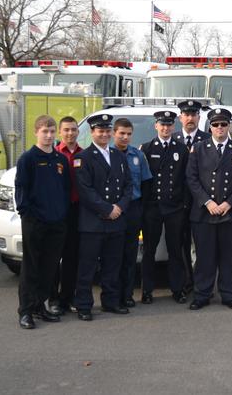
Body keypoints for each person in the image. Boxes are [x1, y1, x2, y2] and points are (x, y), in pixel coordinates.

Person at [186, 108, 232, 310]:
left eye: (223, 124)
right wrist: (208, 202)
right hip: (204, 213)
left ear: (228, 126)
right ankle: (202, 294)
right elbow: (192, 179)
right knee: (205, 257)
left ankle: (229, 294)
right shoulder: (199, 148)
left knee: (229, 257)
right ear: (210, 127)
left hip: (229, 213)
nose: (220, 128)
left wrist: (228, 203)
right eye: (215, 125)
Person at [74, 114, 132, 321]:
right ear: (92, 133)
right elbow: (85, 190)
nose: (105, 134)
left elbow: (128, 186)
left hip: (116, 221)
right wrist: (107, 208)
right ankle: (83, 305)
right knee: (87, 267)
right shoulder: (83, 158)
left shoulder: (118, 156)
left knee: (112, 265)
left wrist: (120, 207)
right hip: (93, 223)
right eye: (101, 130)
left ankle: (110, 302)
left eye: (108, 130)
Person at [15, 115, 70, 329]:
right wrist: (27, 214)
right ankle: (26, 311)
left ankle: (40, 306)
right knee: (31, 268)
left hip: (57, 223)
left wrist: (62, 213)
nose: (48, 135)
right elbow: (22, 190)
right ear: (36, 132)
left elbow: (65, 190)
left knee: (49, 268)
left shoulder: (60, 160)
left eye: (51, 131)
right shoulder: (28, 159)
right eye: (44, 131)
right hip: (35, 223)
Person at [140, 111, 190, 305]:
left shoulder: (181, 149)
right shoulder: (146, 148)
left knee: (175, 250)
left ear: (173, 127)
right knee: (149, 251)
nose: (166, 128)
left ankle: (178, 289)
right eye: (162, 124)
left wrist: (184, 204)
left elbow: (186, 179)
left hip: (174, 208)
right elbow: (144, 180)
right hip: (153, 207)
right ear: (156, 126)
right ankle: (147, 290)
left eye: (169, 125)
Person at [112, 118, 152, 308]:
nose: (125, 137)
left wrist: (141, 210)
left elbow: (145, 184)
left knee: (129, 255)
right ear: (114, 133)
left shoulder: (138, 155)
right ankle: (112, 295)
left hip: (133, 209)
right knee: (113, 255)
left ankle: (127, 295)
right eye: (122, 133)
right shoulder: (107, 154)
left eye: (128, 134)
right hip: (112, 211)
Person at [173, 100, 211, 293]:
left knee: (204, 246)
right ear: (180, 117)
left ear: (199, 117)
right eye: (186, 114)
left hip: (201, 203)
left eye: (193, 114)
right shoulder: (172, 139)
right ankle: (186, 281)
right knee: (181, 245)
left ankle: (203, 283)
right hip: (178, 203)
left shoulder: (207, 139)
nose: (190, 118)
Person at [49, 116, 82, 316]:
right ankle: (52, 299)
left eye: (73, 129)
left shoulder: (85, 154)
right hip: (56, 212)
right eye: (66, 130)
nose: (70, 133)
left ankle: (67, 297)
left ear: (78, 132)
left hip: (76, 210)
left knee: (72, 257)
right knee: (54, 257)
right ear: (60, 132)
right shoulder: (52, 154)